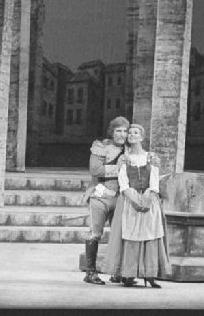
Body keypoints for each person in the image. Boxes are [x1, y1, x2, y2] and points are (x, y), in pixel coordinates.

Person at [105, 123, 171, 287]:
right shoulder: (124, 158)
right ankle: (128, 274)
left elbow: (155, 181)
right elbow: (123, 182)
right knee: (130, 235)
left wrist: (149, 195)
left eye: (135, 133)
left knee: (150, 234)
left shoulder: (151, 157)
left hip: (149, 198)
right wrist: (132, 197)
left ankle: (150, 274)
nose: (131, 135)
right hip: (129, 199)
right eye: (130, 133)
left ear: (141, 137)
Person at [82, 116, 130, 285]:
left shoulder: (130, 149)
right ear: (112, 132)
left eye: (125, 131)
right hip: (100, 196)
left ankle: (117, 272)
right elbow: (96, 169)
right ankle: (90, 272)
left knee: (120, 235)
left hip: (121, 198)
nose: (122, 134)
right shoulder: (101, 147)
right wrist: (121, 168)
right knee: (95, 233)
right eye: (118, 131)